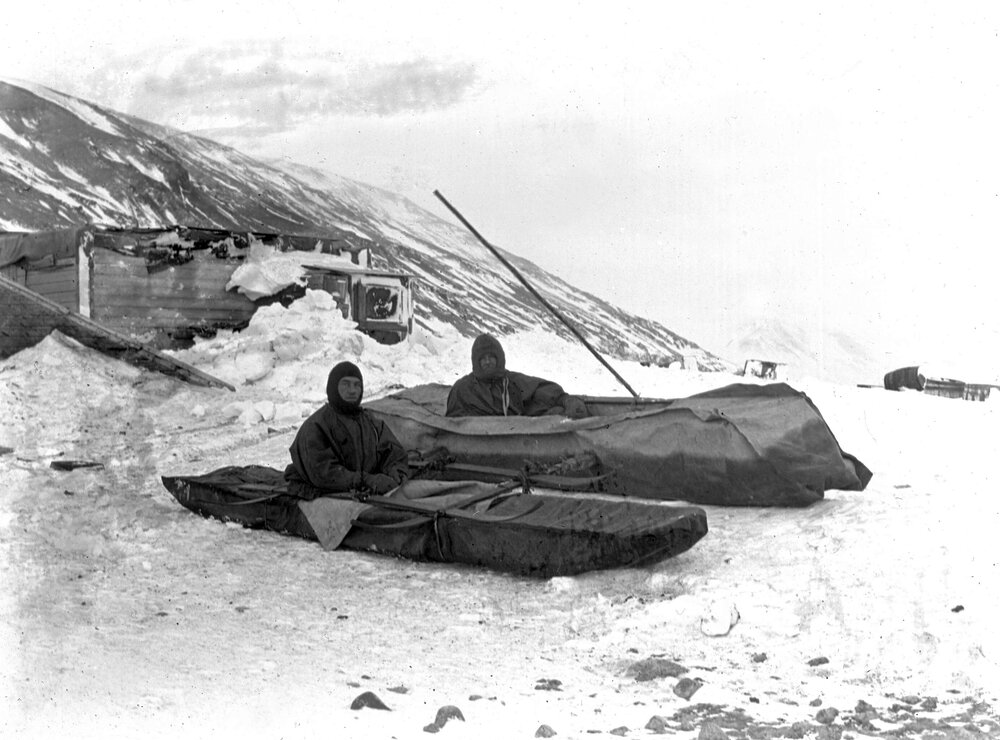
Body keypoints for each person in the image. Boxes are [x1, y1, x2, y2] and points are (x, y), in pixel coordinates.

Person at [284, 361, 410, 499]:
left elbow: (393, 452)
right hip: (323, 496)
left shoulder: (371, 422)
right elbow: (322, 472)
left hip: (363, 494)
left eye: (357, 385)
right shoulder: (317, 425)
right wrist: (365, 480)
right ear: (333, 387)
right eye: (345, 384)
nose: (352, 390)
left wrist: (396, 472)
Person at [445, 334, 589, 418]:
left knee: (557, 413)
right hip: (477, 441)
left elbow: (541, 388)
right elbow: (453, 420)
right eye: (483, 358)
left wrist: (566, 400)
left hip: (514, 439)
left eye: (491, 357)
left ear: (499, 358)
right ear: (476, 361)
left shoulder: (511, 381)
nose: (487, 361)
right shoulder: (463, 388)